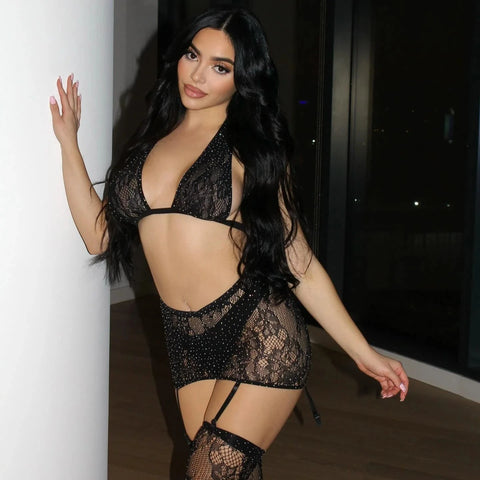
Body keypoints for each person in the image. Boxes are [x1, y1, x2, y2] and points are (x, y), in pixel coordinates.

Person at [50, 6, 408, 480]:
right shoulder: (149, 141)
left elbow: (299, 261)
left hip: (259, 330)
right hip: (186, 340)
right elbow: (98, 235)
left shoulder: (251, 148)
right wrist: (68, 143)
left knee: (207, 472)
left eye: (220, 67)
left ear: (243, 79)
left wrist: (364, 353)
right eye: (192, 56)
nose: (198, 75)